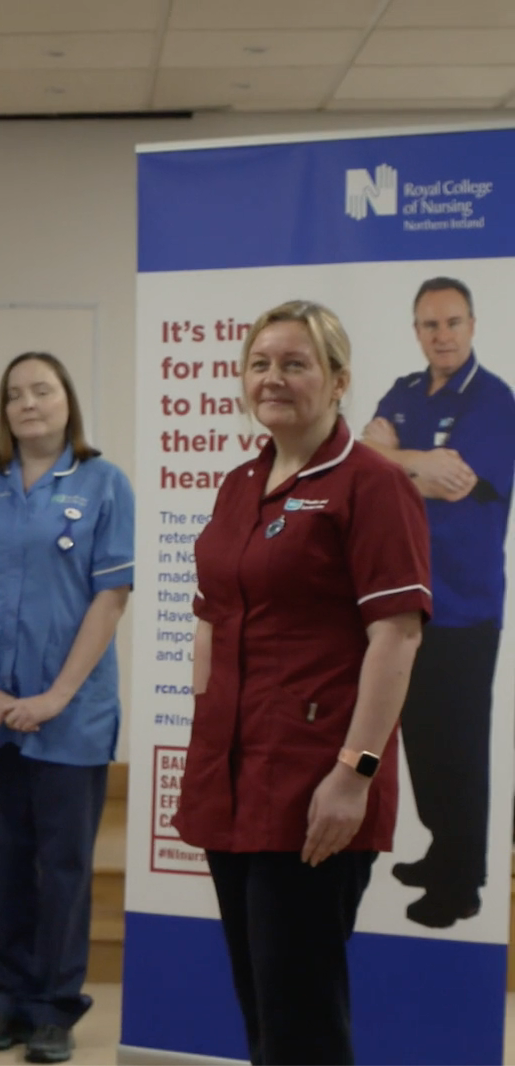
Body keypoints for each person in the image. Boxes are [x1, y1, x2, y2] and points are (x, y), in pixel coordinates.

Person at [178, 301, 429, 1066]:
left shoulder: (373, 485)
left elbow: (397, 634)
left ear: (339, 379)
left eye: (295, 364)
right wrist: (204, 718)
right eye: (260, 364)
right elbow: (212, 617)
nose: (273, 379)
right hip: (232, 772)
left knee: (302, 1019)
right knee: (263, 1004)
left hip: (316, 780)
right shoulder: (240, 483)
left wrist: (355, 775)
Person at [0, 352, 135, 1064]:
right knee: (1, 858)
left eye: (41, 390)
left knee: (63, 864)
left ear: (68, 401)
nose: (27, 403)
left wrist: (56, 696)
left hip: (71, 709)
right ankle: (6, 1003)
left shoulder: (105, 484)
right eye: (14, 395)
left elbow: (110, 598)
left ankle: (54, 1010)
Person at [360, 277, 515, 929]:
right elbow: (362, 457)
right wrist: (415, 460)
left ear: (473, 325)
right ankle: (441, 849)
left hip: (465, 601)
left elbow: (456, 484)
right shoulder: (403, 389)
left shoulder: (494, 400)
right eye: (430, 325)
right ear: (417, 331)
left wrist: (400, 457)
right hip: (409, 596)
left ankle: (462, 884)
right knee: (421, 738)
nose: (442, 335)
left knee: (458, 744)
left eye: (452, 323)